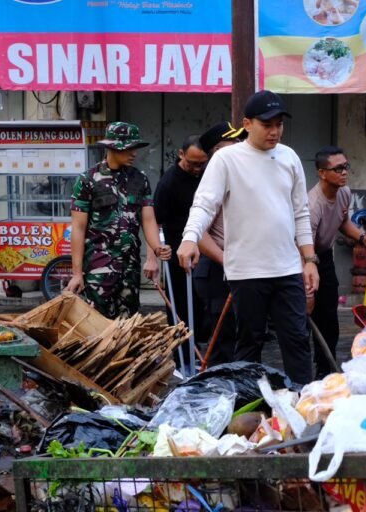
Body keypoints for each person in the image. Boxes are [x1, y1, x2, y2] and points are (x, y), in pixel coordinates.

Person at [178, 90, 319, 385]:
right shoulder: (227, 159)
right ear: (247, 123)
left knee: (296, 339)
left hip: (288, 267)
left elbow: (301, 213)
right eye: (267, 124)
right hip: (246, 270)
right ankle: (250, 407)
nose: (275, 131)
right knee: (249, 342)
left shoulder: (289, 157)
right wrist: (190, 238)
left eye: (279, 124)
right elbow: (205, 203)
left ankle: (305, 404)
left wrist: (309, 259)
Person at [67, 122, 172, 319]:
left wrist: (157, 248)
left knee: (127, 324)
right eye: (128, 148)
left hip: (129, 266)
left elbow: (148, 220)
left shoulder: (139, 179)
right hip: (98, 267)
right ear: (112, 147)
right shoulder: (88, 180)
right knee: (97, 324)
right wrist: (77, 273)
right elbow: (78, 228)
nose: (133, 153)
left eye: (135, 148)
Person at [308, 146, 366, 378]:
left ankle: (326, 371)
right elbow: (303, 245)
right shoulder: (313, 204)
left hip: (325, 257)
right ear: (322, 173)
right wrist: (308, 278)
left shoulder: (344, 193)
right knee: (307, 316)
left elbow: (343, 222)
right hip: (305, 258)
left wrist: (362, 237)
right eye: (338, 169)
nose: (344, 172)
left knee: (329, 317)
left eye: (346, 167)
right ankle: (307, 372)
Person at [192, 122, 247, 366]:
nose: (239, 147)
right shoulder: (211, 182)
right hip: (217, 270)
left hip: (242, 269)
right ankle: (216, 394)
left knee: (241, 335)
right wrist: (227, 261)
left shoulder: (240, 177)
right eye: (232, 143)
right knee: (221, 340)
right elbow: (200, 234)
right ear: (216, 152)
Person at [145, 135, 210, 341]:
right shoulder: (169, 182)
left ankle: (202, 353)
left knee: (204, 309)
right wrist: (152, 257)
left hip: (206, 253)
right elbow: (154, 221)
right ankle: (182, 358)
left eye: (202, 163)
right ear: (181, 154)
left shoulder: (208, 175)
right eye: (193, 163)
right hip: (177, 256)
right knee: (181, 311)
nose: (198, 168)